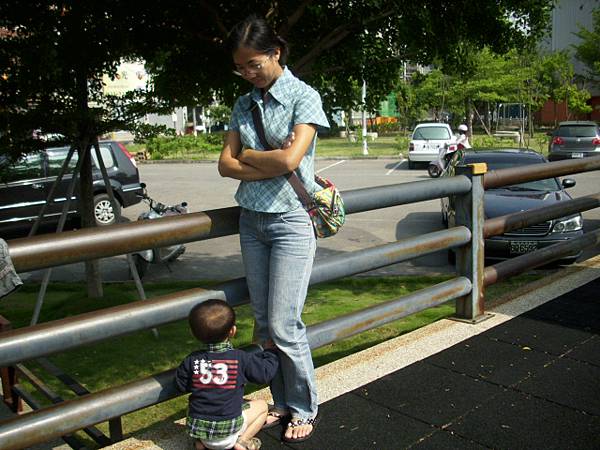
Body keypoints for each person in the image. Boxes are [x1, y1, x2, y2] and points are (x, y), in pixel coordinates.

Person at [218, 14, 329, 443]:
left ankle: (304, 406)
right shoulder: (242, 104)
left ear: (275, 53)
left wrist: (249, 157)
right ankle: (279, 400)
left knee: (285, 324)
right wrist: (261, 158)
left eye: (254, 64)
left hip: (290, 220)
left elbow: (290, 161)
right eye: (240, 67)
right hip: (251, 222)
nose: (248, 73)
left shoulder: (304, 96)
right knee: (263, 324)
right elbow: (225, 166)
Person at [175, 299, 279, 450]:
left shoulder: (191, 360)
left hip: (199, 429)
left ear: (193, 333)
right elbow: (264, 374)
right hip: (229, 431)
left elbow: (180, 385)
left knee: (196, 406)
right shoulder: (240, 357)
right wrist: (270, 353)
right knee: (262, 406)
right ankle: (243, 442)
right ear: (233, 331)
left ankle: (201, 444)